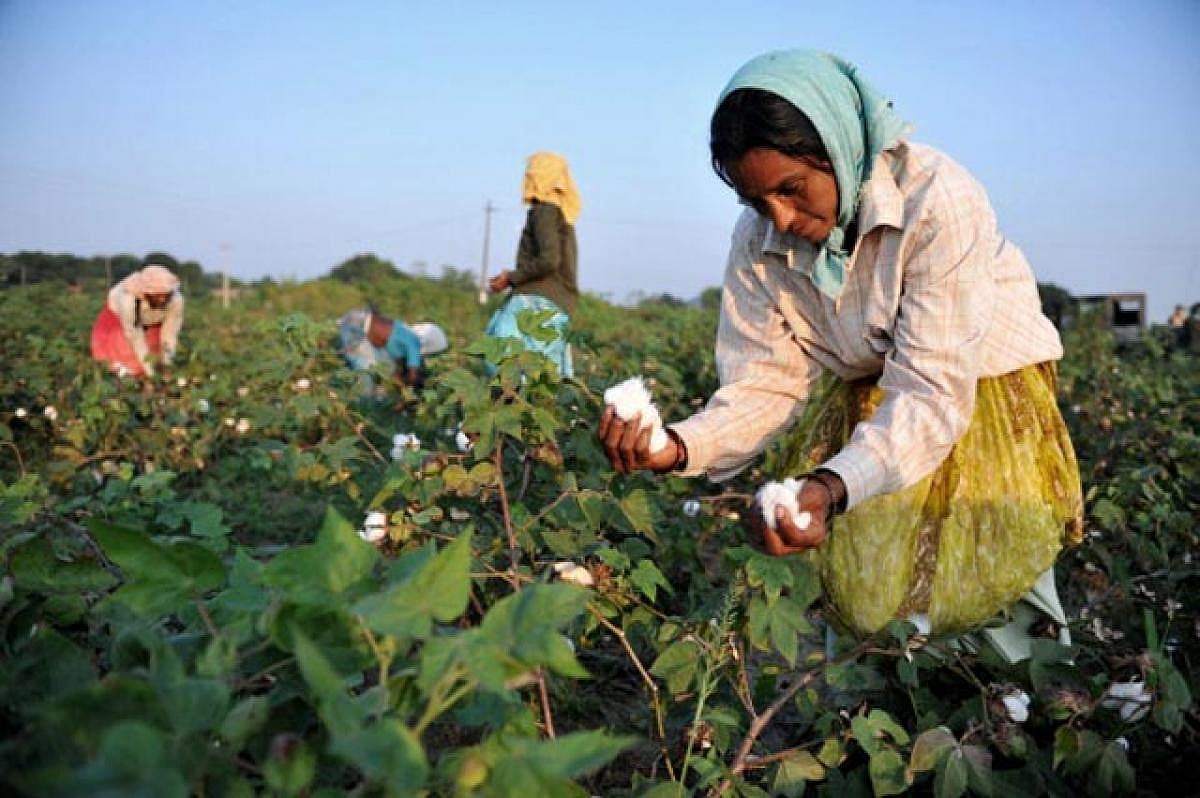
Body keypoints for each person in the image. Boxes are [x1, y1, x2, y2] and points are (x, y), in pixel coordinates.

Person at [598, 50, 1083, 661]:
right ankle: (883, 734)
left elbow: (932, 390)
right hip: (875, 395)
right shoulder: (759, 239)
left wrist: (829, 486)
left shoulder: (937, 199)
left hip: (977, 387)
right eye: (757, 200)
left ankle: (1028, 718)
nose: (780, 217)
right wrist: (672, 446)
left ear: (837, 150)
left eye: (792, 189)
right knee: (871, 584)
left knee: (995, 574)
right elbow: (763, 381)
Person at [485, 151, 580, 378]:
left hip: (536, 301)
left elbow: (548, 260)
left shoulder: (544, 211)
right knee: (547, 375)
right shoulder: (563, 217)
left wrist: (511, 277)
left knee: (498, 356)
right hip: (559, 303)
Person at [90, 265, 184, 378]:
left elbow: (170, 334)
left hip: (153, 319)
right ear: (147, 292)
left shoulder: (176, 300)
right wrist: (151, 374)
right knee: (126, 358)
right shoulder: (128, 301)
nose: (162, 299)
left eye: (166, 295)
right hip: (118, 320)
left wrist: (167, 366)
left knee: (156, 353)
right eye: (157, 296)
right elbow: (135, 337)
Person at [337, 308, 448, 389]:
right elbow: (410, 375)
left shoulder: (407, 341)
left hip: (357, 322)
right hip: (359, 329)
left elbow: (401, 372)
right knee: (368, 375)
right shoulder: (411, 344)